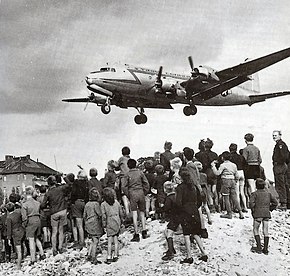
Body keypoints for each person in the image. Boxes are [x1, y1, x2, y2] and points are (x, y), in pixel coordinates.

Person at [176, 168, 208, 264]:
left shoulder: (180, 187)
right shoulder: (193, 186)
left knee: (186, 234)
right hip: (194, 210)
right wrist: (194, 207)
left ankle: (189, 256)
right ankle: (203, 253)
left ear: (181, 177)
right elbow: (199, 200)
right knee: (196, 233)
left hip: (185, 211)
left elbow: (178, 202)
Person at [41, 175, 71, 255]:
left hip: (54, 212)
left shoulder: (48, 193)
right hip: (62, 210)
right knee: (61, 231)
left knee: (54, 232)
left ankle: (54, 249)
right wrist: (64, 176)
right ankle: (60, 247)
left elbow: (43, 205)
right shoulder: (61, 189)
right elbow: (69, 184)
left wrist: (48, 205)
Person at [122, 159, 150, 242]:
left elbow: (124, 186)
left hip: (132, 193)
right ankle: (144, 231)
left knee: (134, 213)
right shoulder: (140, 172)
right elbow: (146, 183)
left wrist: (128, 194)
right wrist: (144, 192)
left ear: (128, 166)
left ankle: (136, 233)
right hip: (140, 192)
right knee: (142, 212)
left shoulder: (127, 174)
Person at [211, 151, 244, 219]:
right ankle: (240, 212)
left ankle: (229, 213)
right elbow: (236, 175)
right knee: (234, 197)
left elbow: (217, 173)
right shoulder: (234, 165)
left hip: (225, 181)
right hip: (232, 180)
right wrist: (235, 181)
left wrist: (213, 166)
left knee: (226, 197)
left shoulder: (223, 165)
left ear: (222, 158)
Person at [249, 178, 278, 254]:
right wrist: (270, 209)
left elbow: (251, 204)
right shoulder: (268, 194)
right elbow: (275, 203)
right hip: (266, 213)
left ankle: (258, 247)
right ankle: (265, 249)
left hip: (258, 214)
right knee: (266, 231)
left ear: (256, 186)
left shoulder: (254, 194)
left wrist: (253, 211)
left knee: (255, 229)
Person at [21, 186, 45, 265]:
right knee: (36, 237)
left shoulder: (25, 204)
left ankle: (33, 259)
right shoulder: (37, 203)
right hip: (38, 220)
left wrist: (24, 226)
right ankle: (42, 254)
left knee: (31, 240)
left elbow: (24, 218)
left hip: (30, 221)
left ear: (25, 193)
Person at [195, 138, 219, 213]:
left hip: (207, 173)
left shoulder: (202, 154)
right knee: (214, 190)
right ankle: (217, 205)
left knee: (208, 190)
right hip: (214, 173)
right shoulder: (215, 154)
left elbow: (204, 165)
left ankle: (211, 206)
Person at [101, 188, 123, 264]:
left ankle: (109, 256)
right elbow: (121, 212)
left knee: (109, 241)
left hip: (109, 221)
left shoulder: (103, 204)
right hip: (117, 220)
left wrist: (104, 225)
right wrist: (121, 221)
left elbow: (103, 216)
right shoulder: (116, 202)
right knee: (116, 240)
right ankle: (116, 255)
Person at [83, 188, 103, 265]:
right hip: (95, 223)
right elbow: (99, 214)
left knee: (92, 240)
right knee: (96, 241)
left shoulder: (87, 204)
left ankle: (89, 254)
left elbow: (84, 215)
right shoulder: (96, 204)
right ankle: (93, 257)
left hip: (88, 223)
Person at [71, 170, 89, 249]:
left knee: (79, 224)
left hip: (77, 202)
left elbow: (73, 193)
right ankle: (83, 239)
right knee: (83, 222)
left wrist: (72, 202)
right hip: (84, 202)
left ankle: (81, 242)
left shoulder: (76, 183)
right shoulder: (86, 183)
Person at [161, 181, 179, 261]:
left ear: (165, 190)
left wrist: (157, 210)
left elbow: (166, 208)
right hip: (179, 216)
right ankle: (171, 249)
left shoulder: (168, 198)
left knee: (168, 232)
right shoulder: (176, 196)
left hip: (174, 218)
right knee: (168, 231)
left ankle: (170, 252)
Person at [272, 130, 289, 210]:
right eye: (273, 135)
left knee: (280, 184)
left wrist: (279, 163)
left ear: (280, 135)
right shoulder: (280, 144)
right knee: (284, 184)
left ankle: (283, 203)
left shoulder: (280, 144)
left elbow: (284, 156)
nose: (274, 137)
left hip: (280, 166)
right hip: (281, 165)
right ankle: (286, 202)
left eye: (275, 135)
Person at [229, 143, 248, 212]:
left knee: (236, 192)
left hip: (236, 173)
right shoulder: (241, 157)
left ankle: (238, 207)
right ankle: (245, 207)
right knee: (242, 192)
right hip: (242, 172)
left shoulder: (230, 157)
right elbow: (246, 165)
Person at [6, 202, 25, 269]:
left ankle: (19, 265)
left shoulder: (9, 218)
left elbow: (9, 229)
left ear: (7, 210)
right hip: (21, 230)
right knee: (21, 245)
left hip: (15, 233)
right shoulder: (18, 214)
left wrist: (9, 239)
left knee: (18, 249)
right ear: (14, 208)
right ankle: (22, 258)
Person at [194, 161, 212, 225]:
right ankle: (209, 219)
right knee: (205, 205)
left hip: (199, 190)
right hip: (204, 190)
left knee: (199, 207)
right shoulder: (204, 175)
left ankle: (201, 220)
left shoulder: (196, 176)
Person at [116, 146, 131, 217]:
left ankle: (127, 212)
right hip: (130, 178)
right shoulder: (130, 159)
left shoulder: (121, 159)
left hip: (123, 178)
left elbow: (116, 167)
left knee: (124, 195)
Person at [36, 185, 51, 249]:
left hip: (42, 214)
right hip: (49, 212)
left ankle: (46, 242)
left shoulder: (38, 198)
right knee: (48, 228)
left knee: (44, 229)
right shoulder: (48, 196)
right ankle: (49, 241)